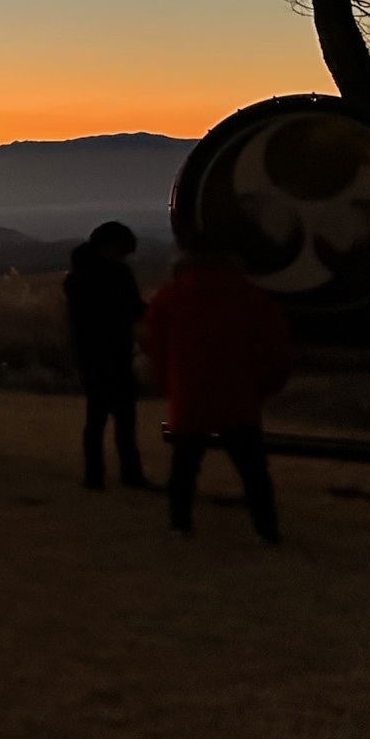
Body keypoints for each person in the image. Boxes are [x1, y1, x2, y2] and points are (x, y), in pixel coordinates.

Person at [141, 243, 294, 544]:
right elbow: (278, 349)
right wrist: (266, 386)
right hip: (239, 395)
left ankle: (180, 524)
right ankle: (266, 529)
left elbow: (155, 349)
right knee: (252, 469)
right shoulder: (250, 296)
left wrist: (167, 387)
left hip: (189, 395)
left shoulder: (167, 298)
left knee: (184, 465)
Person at [63, 221, 148, 490]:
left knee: (95, 417)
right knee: (124, 418)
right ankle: (130, 474)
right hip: (116, 352)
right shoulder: (119, 274)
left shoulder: (75, 278)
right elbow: (135, 310)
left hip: (89, 354)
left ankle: (94, 476)